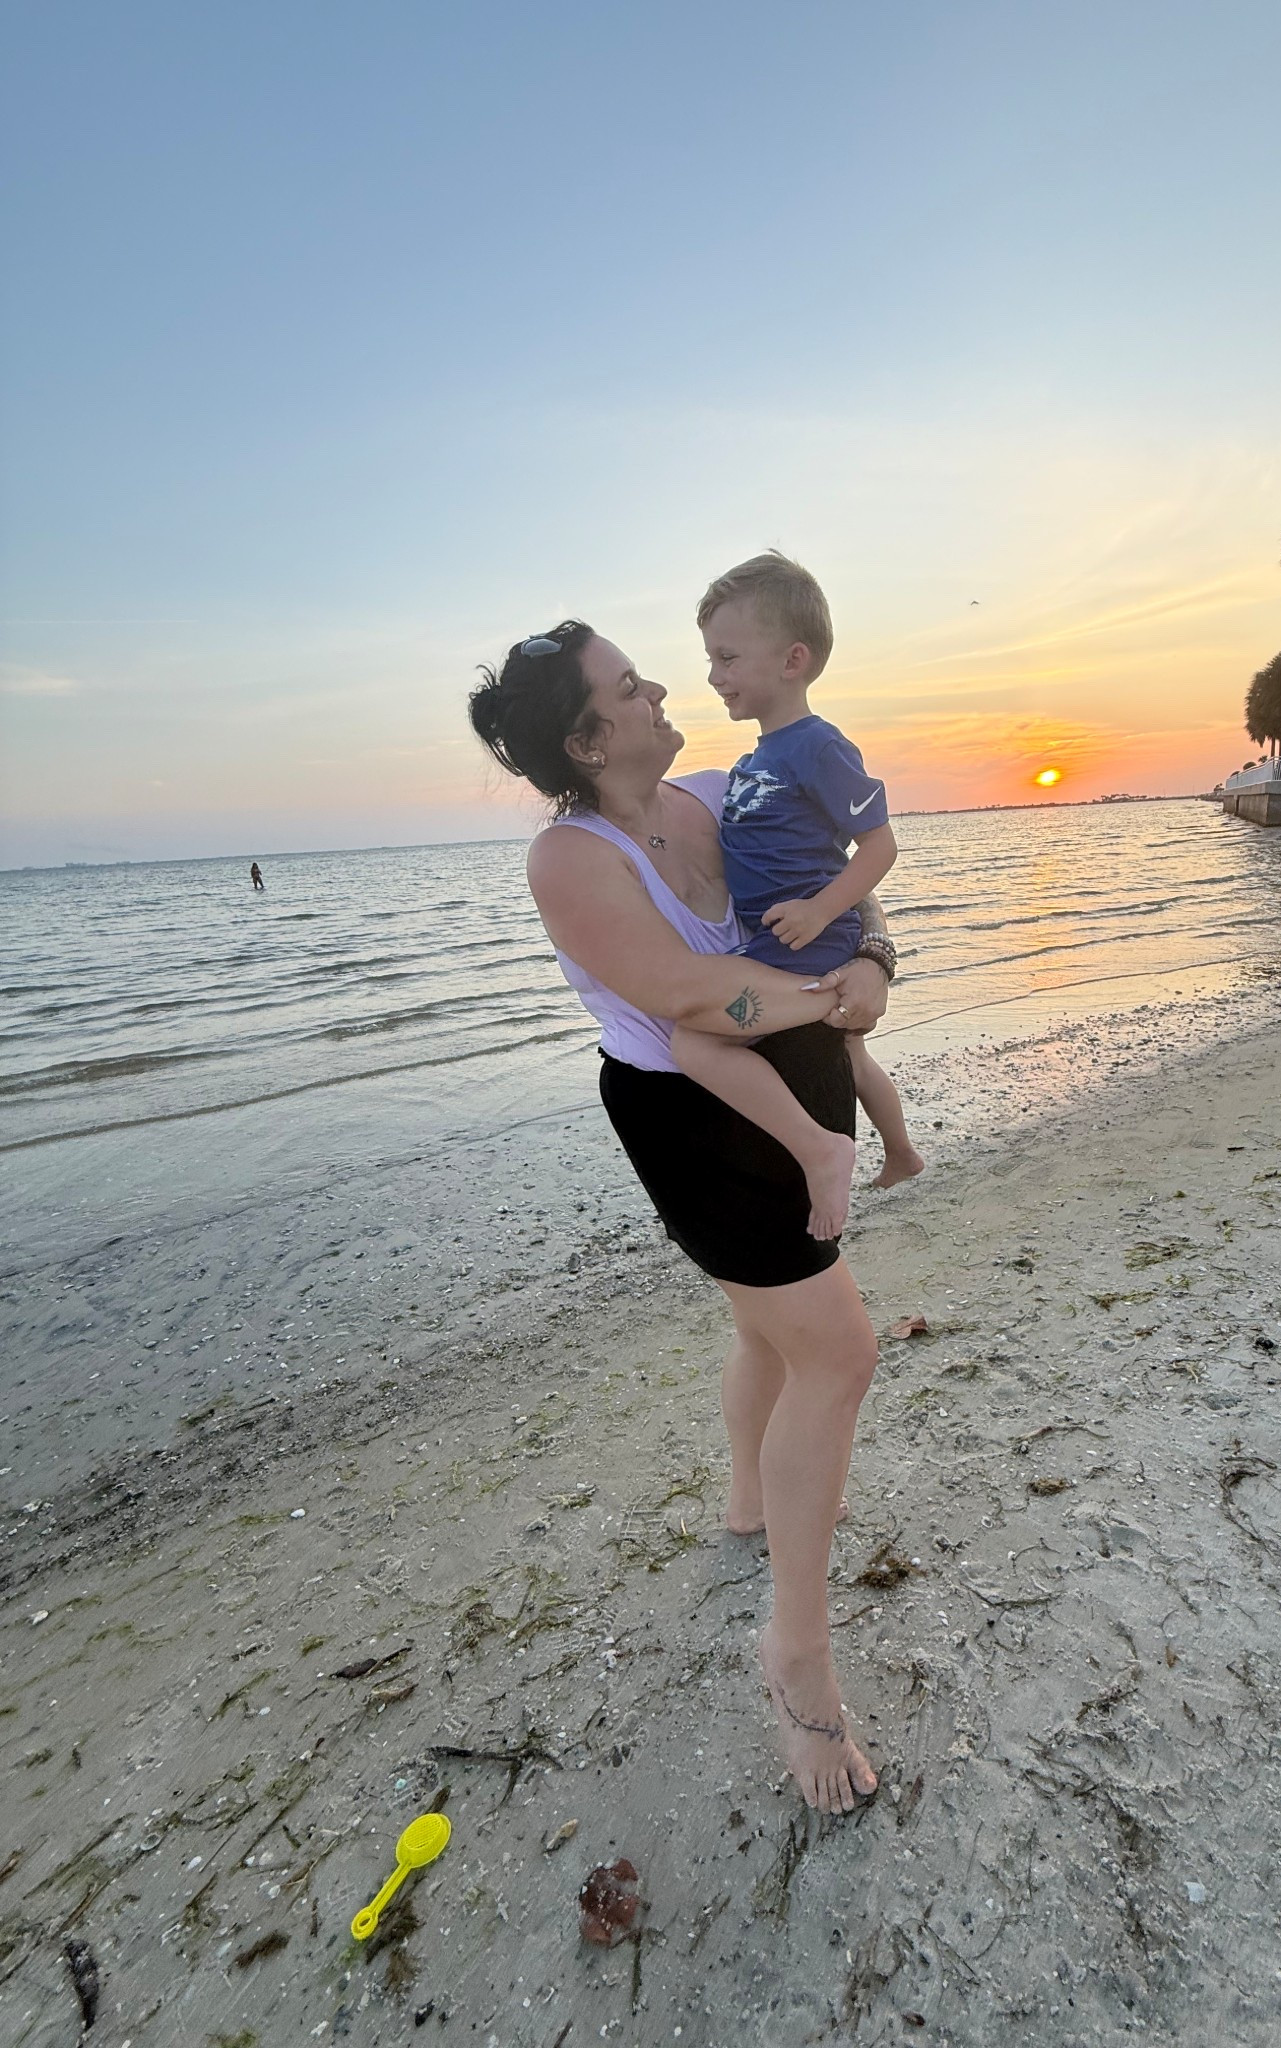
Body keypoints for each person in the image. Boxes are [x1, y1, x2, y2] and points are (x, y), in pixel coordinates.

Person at [468, 620, 894, 1814]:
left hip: (796, 1071)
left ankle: (751, 1502)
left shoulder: (721, 790)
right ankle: (795, 1654)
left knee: (773, 1336)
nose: (659, 687)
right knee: (841, 1350)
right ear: (585, 737)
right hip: (694, 1120)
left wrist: (874, 969)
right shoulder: (571, 857)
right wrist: (831, 991)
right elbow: (682, 992)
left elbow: (840, 887)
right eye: (627, 685)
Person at [668, 553, 924, 1239]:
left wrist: (823, 910)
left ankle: (823, 1150)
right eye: (710, 660)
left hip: (809, 944)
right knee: (850, 1054)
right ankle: (900, 1152)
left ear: (792, 660)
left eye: (727, 658)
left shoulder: (818, 747)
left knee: (695, 1043)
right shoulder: (755, 759)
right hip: (776, 944)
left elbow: (879, 846)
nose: (714, 676)